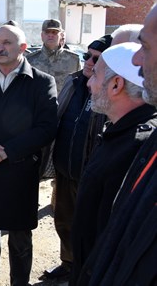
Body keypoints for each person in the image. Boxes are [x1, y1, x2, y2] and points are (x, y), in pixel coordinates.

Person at [0, 25, 58, 286]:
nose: (0, 48)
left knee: (19, 233)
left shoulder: (41, 82)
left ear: (23, 48)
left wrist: (8, 152)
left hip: (20, 169)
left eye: (7, 42)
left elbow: (47, 127)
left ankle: (19, 280)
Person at [75, 5, 157, 286]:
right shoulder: (119, 133)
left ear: (115, 86)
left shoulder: (136, 146)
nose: (88, 83)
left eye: (95, 76)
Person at [41, 35, 112, 281]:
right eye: (87, 56)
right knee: (63, 220)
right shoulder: (73, 83)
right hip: (64, 170)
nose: (89, 62)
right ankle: (69, 263)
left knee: (88, 227)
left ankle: (87, 270)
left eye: (97, 58)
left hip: (89, 175)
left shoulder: (109, 92)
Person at [26, 19, 81, 92]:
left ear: (61, 35)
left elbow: (80, 86)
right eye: (47, 32)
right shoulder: (30, 60)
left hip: (63, 103)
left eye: (54, 32)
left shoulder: (74, 61)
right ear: (42, 36)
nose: (50, 35)